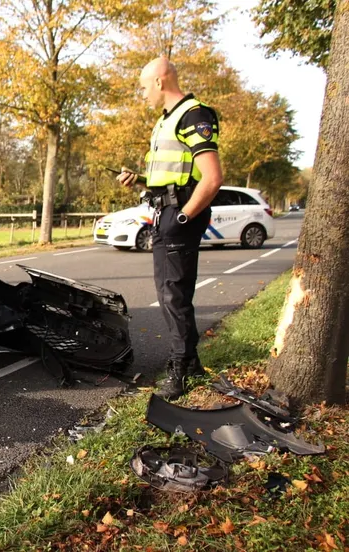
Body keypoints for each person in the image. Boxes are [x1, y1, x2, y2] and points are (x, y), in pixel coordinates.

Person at [116, 57, 224, 400]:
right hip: (166, 209)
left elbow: (212, 178)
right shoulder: (165, 122)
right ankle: (189, 363)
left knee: (172, 294)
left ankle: (180, 369)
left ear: (161, 82)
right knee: (172, 293)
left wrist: (182, 217)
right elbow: (170, 176)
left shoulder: (193, 115)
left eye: (145, 87)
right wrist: (141, 180)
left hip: (178, 215)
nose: (143, 93)